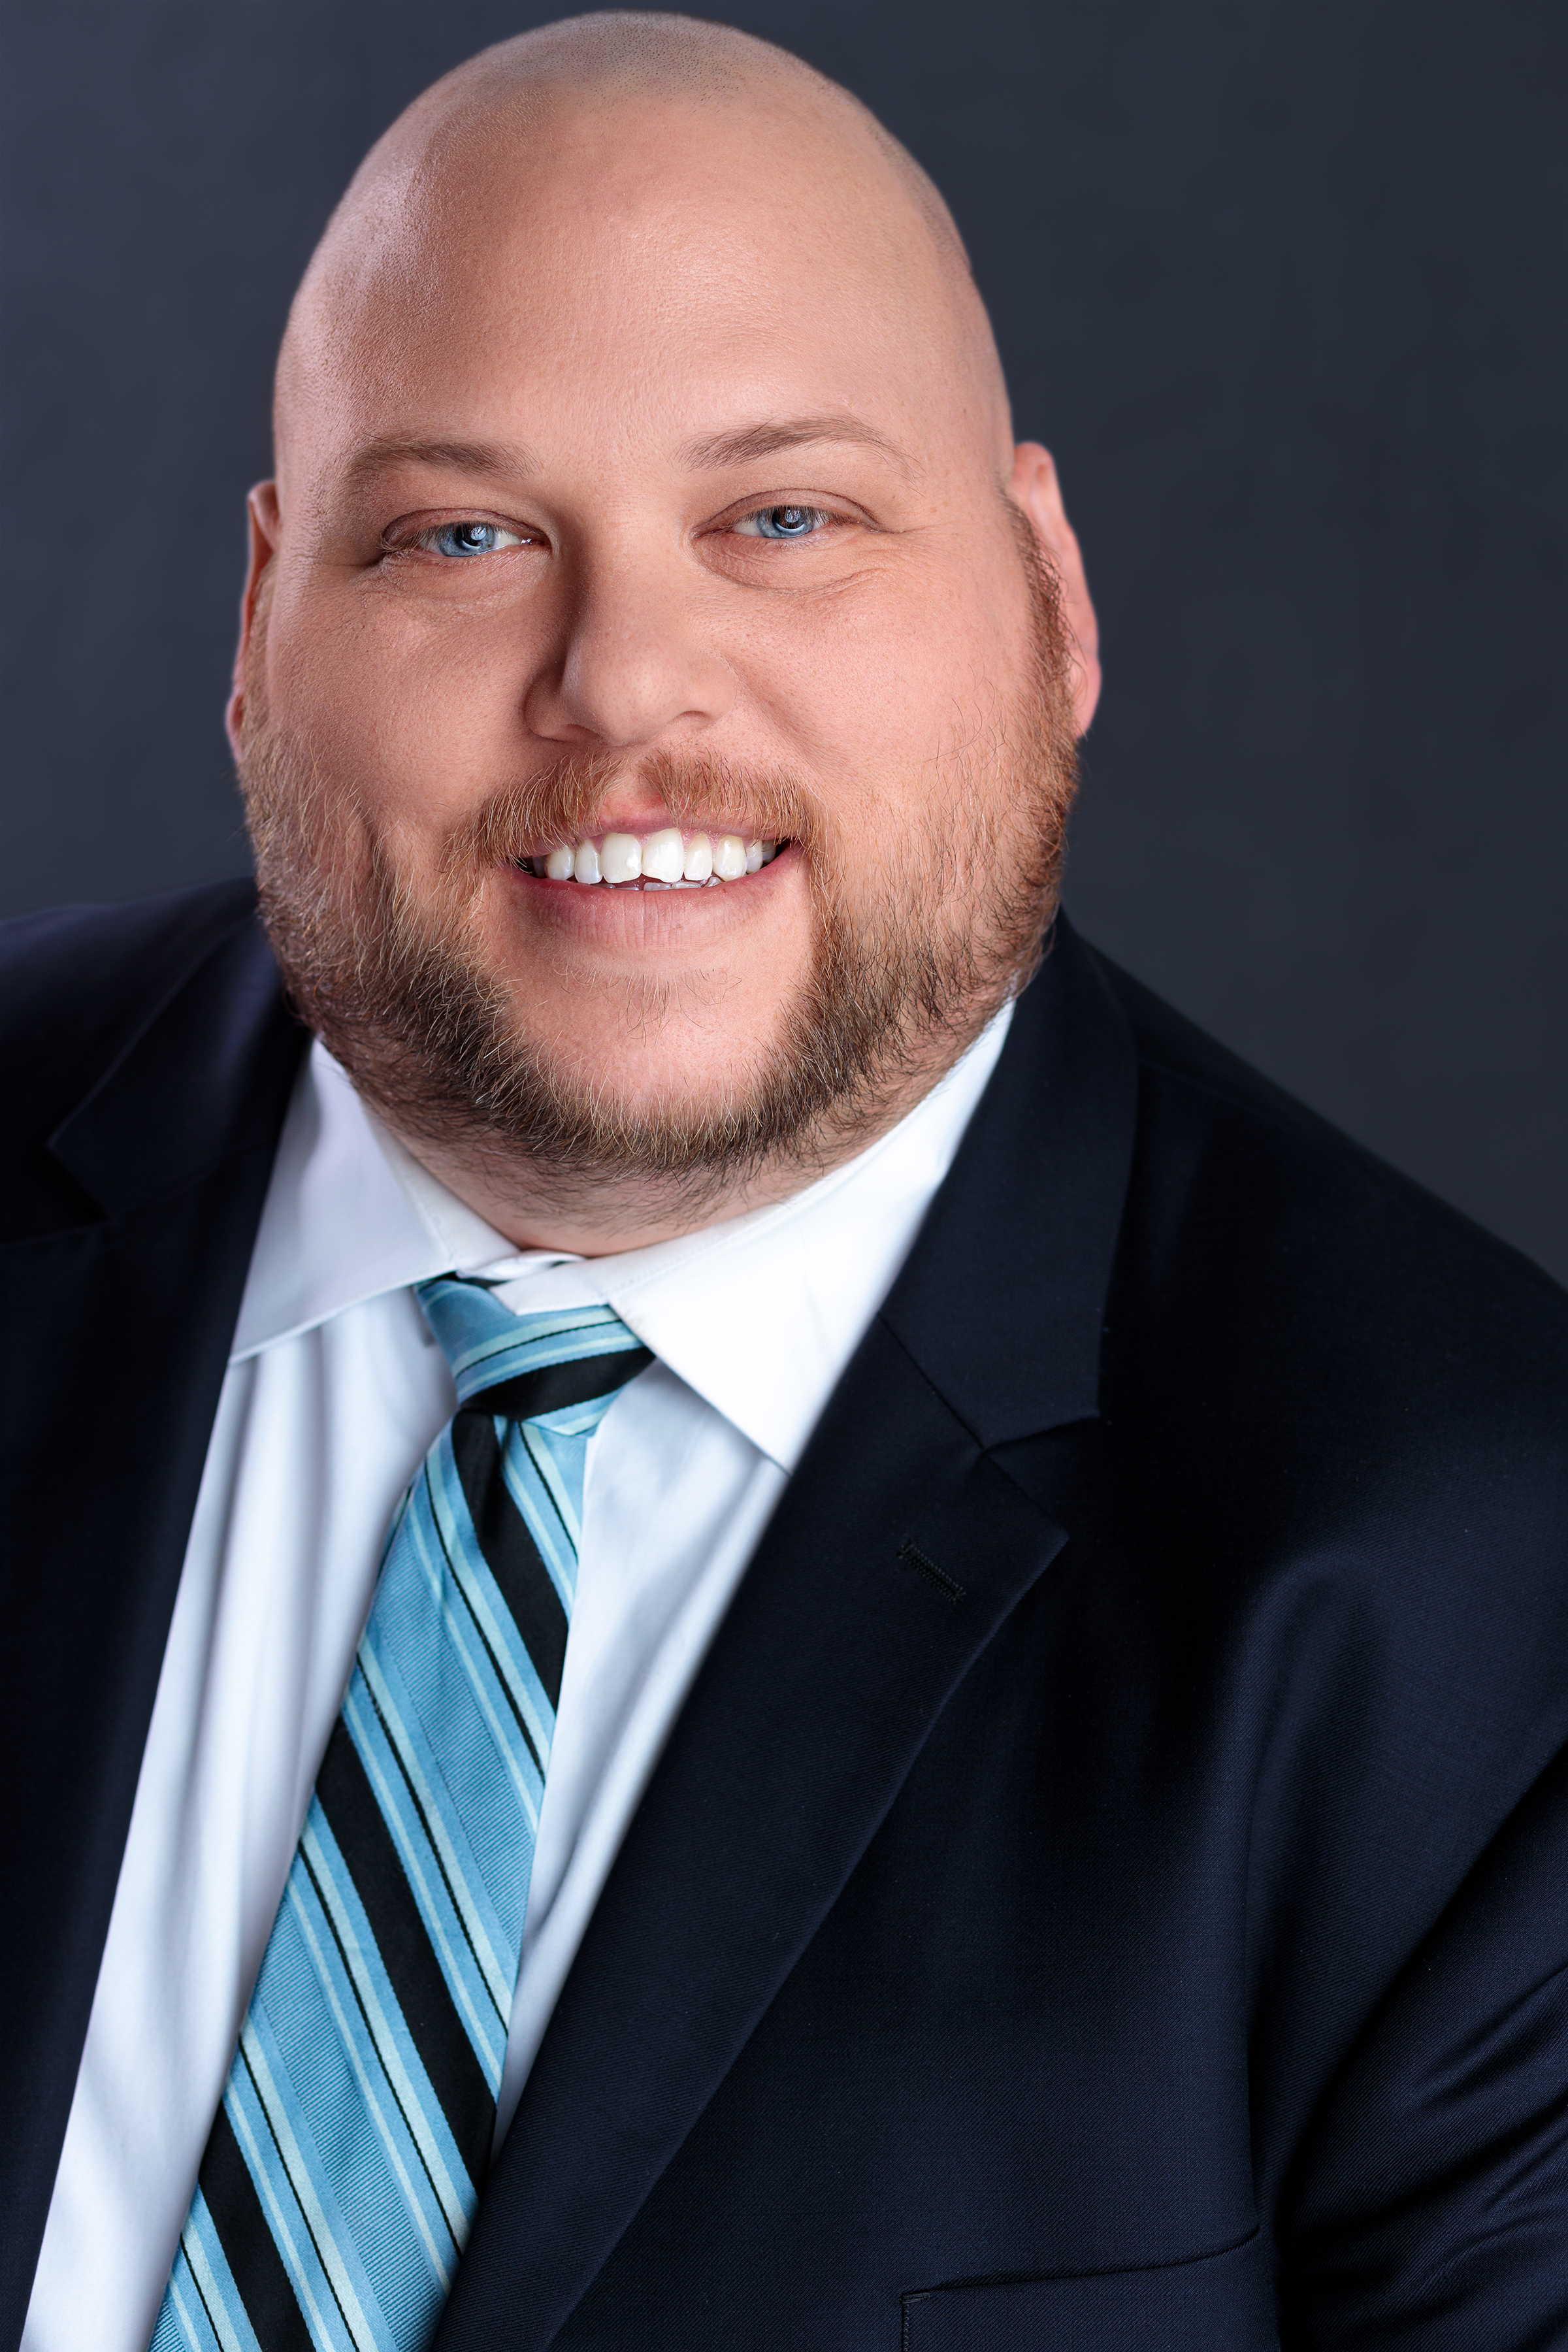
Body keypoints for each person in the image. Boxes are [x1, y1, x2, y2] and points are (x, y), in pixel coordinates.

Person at [3, 14, 1564, 2349]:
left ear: (1051, 595)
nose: (627, 686)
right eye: (462, 534)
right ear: (260, 625)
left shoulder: (1485, 1593)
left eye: (785, 519)